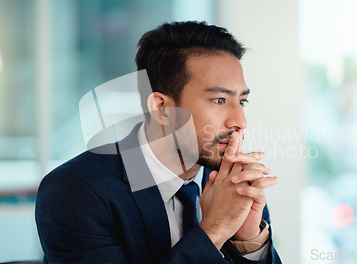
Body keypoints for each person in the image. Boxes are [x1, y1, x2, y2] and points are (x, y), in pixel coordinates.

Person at [35, 21, 282, 263]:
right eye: (219, 100)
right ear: (162, 108)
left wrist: (250, 242)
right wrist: (214, 231)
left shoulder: (232, 183)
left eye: (242, 101)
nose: (240, 121)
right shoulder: (75, 191)